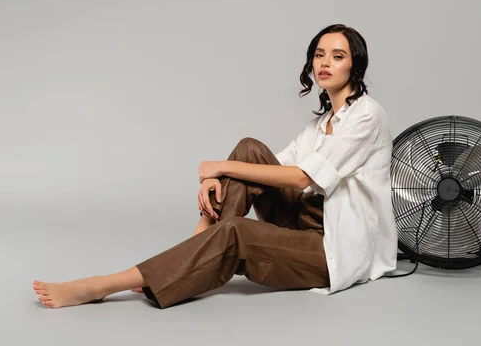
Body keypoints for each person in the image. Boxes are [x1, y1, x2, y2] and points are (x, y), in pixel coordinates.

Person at [31, 24, 397, 309]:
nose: (325, 63)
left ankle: (103, 285)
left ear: (355, 64)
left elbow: (302, 177)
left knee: (236, 226)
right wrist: (220, 176)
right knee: (249, 149)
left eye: (337, 56)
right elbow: (273, 165)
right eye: (319, 55)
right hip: (300, 221)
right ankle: (187, 253)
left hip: (331, 249)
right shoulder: (321, 123)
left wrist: (220, 167)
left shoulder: (367, 115)